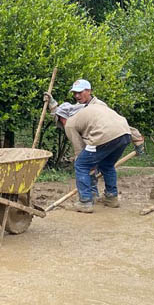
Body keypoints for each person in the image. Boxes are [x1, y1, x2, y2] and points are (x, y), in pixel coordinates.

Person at [62, 79, 133, 213]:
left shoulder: (70, 122)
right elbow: (116, 122)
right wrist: (137, 138)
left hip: (105, 136)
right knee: (107, 165)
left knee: (81, 165)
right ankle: (111, 198)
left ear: (89, 91)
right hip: (124, 134)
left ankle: (85, 202)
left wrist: (87, 160)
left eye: (79, 92)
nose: (77, 96)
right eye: (75, 93)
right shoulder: (98, 106)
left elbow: (79, 149)